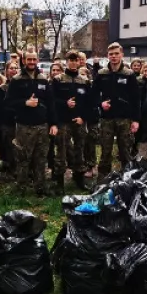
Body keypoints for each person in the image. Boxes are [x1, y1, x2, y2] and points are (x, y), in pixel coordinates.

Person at [5, 51, 57, 196]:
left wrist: (53, 123)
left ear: (38, 60)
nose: (32, 62)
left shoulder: (43, 79)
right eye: (29, 59)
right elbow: (8, 102)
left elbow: (50, 103)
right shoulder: (16, 79)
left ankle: (40, 187)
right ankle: (21, 188)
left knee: (41, 158)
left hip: (42, 125)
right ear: (24, 60)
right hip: (24, 126)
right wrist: (25, 103)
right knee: (23, 157)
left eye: (34, 59)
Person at [93, 43, 140, 176]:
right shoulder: (102, 73)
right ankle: (103, 180)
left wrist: (136, 120)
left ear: (121, 55)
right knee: (105, 152)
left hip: (124, 118)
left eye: (116, 54)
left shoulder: (129, 74)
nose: (113, 57)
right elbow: (93, 94)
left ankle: (127, 180)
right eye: (111, 54)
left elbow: (136, 99)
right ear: (108, 56)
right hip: (107, 118)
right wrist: (100, 104)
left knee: (125, 151)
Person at [52, 51, 91, 191]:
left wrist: (83, 117)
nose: (73, 62)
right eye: (71, 60)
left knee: (79, 149)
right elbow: (52, 100)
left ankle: (79, 178)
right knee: (61, 150)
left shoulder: (84, 81)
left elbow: (89, 103)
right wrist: (65, 103)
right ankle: (59, 182)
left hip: (79, 121)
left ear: (79, 62)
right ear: (66, 61)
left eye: (76, 60)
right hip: (63, 121)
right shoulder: (58, 79)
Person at [0, 62, 19, 174]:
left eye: (16, 68)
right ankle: (10, 167)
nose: (14, 70)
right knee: (8, 145)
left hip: (20, 120)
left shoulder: (21, 85)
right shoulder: (2, 87)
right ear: (6, 70)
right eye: (11, 68)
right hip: (7, 120)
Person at [46, 61, 64, 176]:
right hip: (48, 118)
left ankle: (60, 169)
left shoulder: (63, 83)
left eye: (58, 70)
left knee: (61, 145)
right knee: (49, 145)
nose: (55, 72)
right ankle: (51, 167)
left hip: (61, 118)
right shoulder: (46, 83)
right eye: (54, 70)